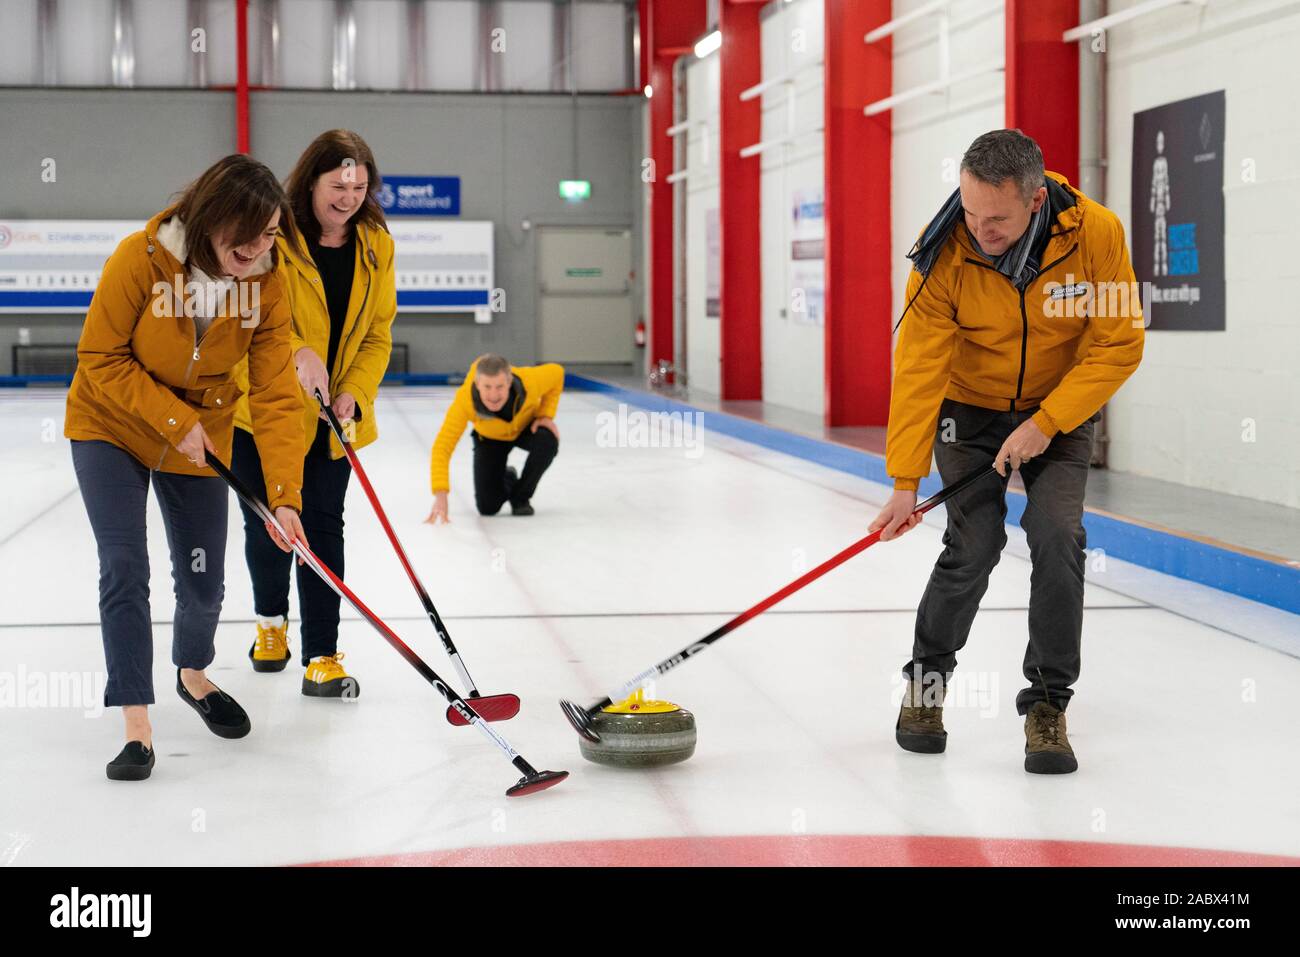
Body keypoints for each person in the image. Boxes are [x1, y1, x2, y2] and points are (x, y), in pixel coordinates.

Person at [869, 129, 1144, 774]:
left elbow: (1120, 343)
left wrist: (1047, 423)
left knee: (1057, 535)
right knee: (974, 543)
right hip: (968, 410)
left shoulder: (1097, 234)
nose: (979, 228)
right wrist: (904, 480)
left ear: (1036, 198)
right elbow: (917, 369)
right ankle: (925, 691)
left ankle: (1047, 705)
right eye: (969, 210)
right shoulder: (941, 252)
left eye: (996, 217)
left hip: (1061, 407)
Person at [64, 154, 308, 781]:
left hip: (202, 438)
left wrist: (284, 497)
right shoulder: (139, 259)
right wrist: (175, 421)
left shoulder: (267, 282)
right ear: (209, 219)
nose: (256, 251)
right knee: (124, 565)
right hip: (111, 424)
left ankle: (192, 674)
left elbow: (278, 392)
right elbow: (100, 355)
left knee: (202, 582)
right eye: (244, 237)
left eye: (270, 236)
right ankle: (137, 724)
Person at [230, 130, 396, 698]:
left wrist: (355, 391)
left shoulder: (377, 244)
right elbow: (252, 316)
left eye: (359, 185)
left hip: (333, 421)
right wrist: (296, 350)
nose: (348, 196)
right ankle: (270, 625)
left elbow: (378, 332)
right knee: (274, 525)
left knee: (324, 527)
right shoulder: (277, 237)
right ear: (313, 180)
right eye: (337, 184)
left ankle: (321, 655)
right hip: (264, 411)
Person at [425, 354, 563, 522]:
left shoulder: (530, 381)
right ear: (477, 384)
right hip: (490, 439)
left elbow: (557, 373)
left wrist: (545, 416)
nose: (493, 395)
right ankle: (508, 476)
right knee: (488, 507)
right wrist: (441, 494)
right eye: (487, 387)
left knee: (547, 440)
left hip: (524, 428)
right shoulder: (464, 402)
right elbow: (442, 446)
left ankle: (520, 497)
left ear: (509, 381)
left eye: (499, 387)